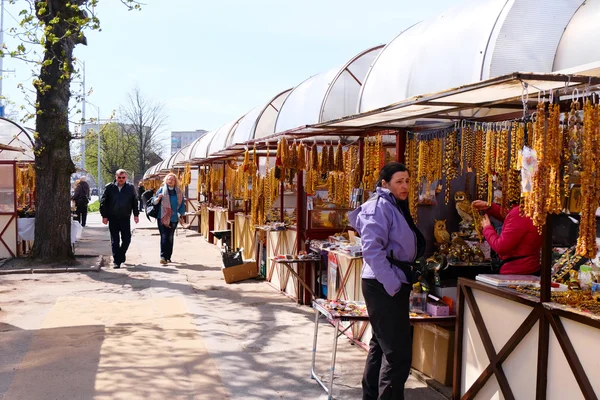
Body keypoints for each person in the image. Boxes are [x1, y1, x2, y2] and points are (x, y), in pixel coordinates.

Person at [348, 162, 425, 400]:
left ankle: (371, 396)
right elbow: (372, 250)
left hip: (391, 282)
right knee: (398, 353)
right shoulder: (379, 206)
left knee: (380, 345)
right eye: (399, 181)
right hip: (383, 284)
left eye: (407, 181)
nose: (405, 186)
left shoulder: (395, 205)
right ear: (385, 184)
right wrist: (392, 284)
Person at [472, 199, 542, 275]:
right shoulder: (532, 209)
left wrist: (487, 228)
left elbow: (500, 247)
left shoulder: (520, 212)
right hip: (530, 267)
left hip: (516, 272)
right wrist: (491, 208)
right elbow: (513, 219)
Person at [100, 169, 139, 269]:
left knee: (127, 239)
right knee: (115, 240)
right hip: (113, 217)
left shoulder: (130, 188)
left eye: (123, 178)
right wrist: (104, 216)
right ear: (116, 177)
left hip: (125, 217)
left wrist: (136, 214)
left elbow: (134, 201)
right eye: (119, 177)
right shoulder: (109, 187)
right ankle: (116, 261)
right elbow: (103, 202)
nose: (121, 179)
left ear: (126, 178)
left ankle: (121, 254)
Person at [151, 173, 186, 264]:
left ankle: (168, 256)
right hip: (162, 217)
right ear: (166, 180)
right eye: (169, 179)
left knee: (170, 237)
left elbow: (182, 205)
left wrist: (179, 214)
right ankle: (163, 256)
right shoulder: (161, 190)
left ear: (175, 181)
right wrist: (158, 199)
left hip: (173, 218)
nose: (170, 181)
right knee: (164, 236)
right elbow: (154, 202)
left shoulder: (179, 192)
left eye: (172, 179)